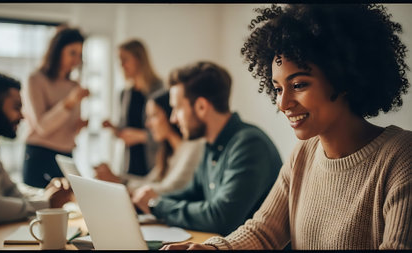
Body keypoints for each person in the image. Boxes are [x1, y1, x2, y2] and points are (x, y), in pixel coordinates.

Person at [162, 4, 412, 250]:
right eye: (278, 88)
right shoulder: (302, 154)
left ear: (343, 79)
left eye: (299, 84)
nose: (282, 104)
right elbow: (263, 233)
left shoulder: (401, 156)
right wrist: (213, 249)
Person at [132, 61, 282, 236]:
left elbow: (221, 218)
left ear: (202, 107)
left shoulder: (249, 145)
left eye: (177, 109)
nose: (173, 119)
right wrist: (148, 201)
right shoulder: (210, 145)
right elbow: (192, 194)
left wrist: (157, 205)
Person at [0, 73, 73, 249]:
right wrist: (46, 203)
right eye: (16, 108)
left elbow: (10, 189)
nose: (22, 116)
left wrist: (47, 193)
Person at [94, 90, 205, 195]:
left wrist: (118, 182)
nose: (147, 124)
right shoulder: (167, 153)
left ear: (169, 113)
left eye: (154, 116)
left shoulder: (191, 149)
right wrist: (117, 178)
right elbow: (147, 181)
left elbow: (167, 189)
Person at [22, 27, 90, 188]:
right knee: (38, 207)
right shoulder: (35, 80)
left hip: (66, 155)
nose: (76, 60)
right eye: (72, 53)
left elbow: (66, 128)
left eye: (80, 55)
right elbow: (43, 127)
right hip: (40, 153)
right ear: (58, 51)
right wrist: (69, 102)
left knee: (67, 209)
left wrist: (78, 127)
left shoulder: (74, 86)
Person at [102, 39, 164, 176]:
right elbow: (125, 128)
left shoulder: (160, 91)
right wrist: (114, 129)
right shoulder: (125, 93)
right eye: (120, 60)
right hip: (129, 164)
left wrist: (142, 137)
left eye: (125, 60)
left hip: (153, 164)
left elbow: (168, 132)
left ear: (139, 59)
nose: (122, 65)